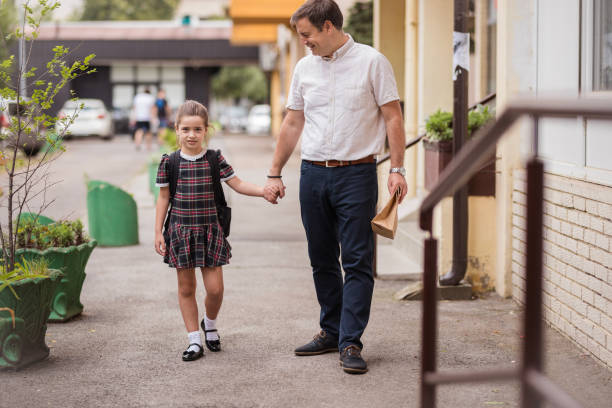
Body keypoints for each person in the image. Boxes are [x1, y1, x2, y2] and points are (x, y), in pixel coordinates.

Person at [265, 0, 408, 374]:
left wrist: (398, 168)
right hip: (312, 175)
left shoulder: (372, 62)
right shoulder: (304, 68)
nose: (304, 43)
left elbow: (393, 116)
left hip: (356, 175)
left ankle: (350, 341)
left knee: (358, 260)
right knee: (321, 257)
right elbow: (293, 122)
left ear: (328, 27)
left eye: (307, 35)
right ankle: (331, 330)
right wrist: (275, 171)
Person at [154, 100, 277, 361]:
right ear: (176, 129)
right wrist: (157, 233)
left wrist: (263, 192)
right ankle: (194, 341)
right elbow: (163, 198)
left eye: (197, 129)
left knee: (215, 289)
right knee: (186, 288)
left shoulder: (214, 159)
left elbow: (238, 183)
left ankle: (209, 323)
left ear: (206, 130)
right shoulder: (169, 162)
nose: (191, 135)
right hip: (181, 232)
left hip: (210, 232)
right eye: (186, 129)